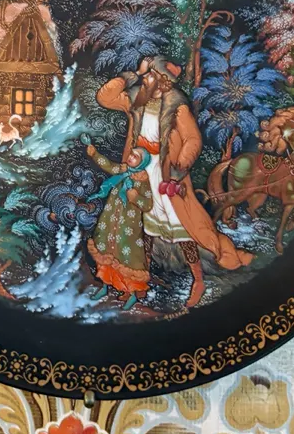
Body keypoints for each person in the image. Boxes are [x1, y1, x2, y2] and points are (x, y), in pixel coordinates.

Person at [96, 56, 253, 307]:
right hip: (139, 173)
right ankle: (141, 279)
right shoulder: (138, 99)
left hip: (167, 174)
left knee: (181, 226)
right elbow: (105, 97)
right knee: (142, 228)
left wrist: (180, 166)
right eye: (147, 75)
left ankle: (198, 280)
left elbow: (192, 139)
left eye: (150, 75)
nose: (146, 78)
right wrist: (131, 75)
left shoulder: (176, 106)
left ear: (162, 81)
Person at [86, 144, 153, 311]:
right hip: (109, 221)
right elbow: (108, 165)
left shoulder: (143, 180)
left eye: (135, 157)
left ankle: (131, 293)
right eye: (131, 154)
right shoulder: (122, 170)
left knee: (127, 257)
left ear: (142, 162)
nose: (130, 157)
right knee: (105, 250)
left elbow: (148, 204)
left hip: (127, 227)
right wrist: (94, 153)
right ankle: (105, 286)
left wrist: (135, 197)